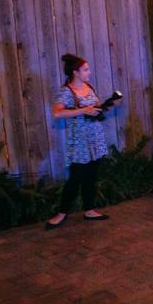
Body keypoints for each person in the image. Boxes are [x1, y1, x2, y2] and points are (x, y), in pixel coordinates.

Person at [46, 54, 120, 229]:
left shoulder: (89, 87)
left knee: (92, 175)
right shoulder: (66, 91)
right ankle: (61, 213)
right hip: (79, 142)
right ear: (75, 72)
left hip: (95, 138)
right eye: (85, 69)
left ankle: (89, 209)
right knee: (76, 177)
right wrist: (83, 110)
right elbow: (57, 112)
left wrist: (105, 107)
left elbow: (93, 109)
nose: (89, 72)